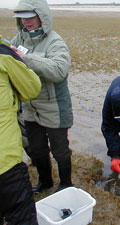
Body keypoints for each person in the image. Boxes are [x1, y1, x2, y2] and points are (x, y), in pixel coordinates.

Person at [11, 0, 73, 192]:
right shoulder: (17, 40)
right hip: (30, 108)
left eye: (30, 17)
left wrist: (26, 59)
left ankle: (65, 184)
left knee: (60, 150)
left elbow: (59, 70)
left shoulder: (55, 41)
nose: (26, 22)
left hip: (55, 106)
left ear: (42, 16)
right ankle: (45, 182)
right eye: (22, 18)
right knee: (37, 149)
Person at [0, 35, 41, 224]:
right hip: (5, 163)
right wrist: (20, 60)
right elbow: (32, 88)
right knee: (22, 217)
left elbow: (59, 69)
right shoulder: (4, 54)